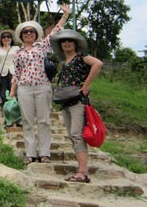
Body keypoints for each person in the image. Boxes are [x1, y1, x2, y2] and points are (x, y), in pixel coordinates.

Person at [9, 4, 70, 164]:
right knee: (27, 121)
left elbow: (55, 32)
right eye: (25, 32)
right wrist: (12, 92)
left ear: (36, 34)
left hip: (42, 86)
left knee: (43, 120)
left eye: (31, 31)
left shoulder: (42, 46)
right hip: (24, 88)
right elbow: (16, 73)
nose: (29, 33)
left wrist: (64, 16)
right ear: (21, 36)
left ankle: (44, 153)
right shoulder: (18, 53)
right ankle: (30, 153)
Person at [50, 29, 103, 183]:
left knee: (76, 135)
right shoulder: (63, 62)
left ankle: (83, 172)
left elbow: (98, 64)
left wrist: (85, 85)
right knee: (74, 136)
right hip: (67, 102)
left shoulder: (81, 57)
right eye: (63, 41)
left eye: (69, 41)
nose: (66, 43)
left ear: (75, 44)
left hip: (78, 101)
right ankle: (81, 170)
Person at [0, 30, 18, 118]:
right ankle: (7, 115)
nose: (6, 38)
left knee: (14, 94)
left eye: (8, 37)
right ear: (1, 39)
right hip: (1, 73)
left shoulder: (16, 48)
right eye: (4, 37)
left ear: (11, 39)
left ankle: (16, 115)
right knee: (3, 94)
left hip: (14, 73)